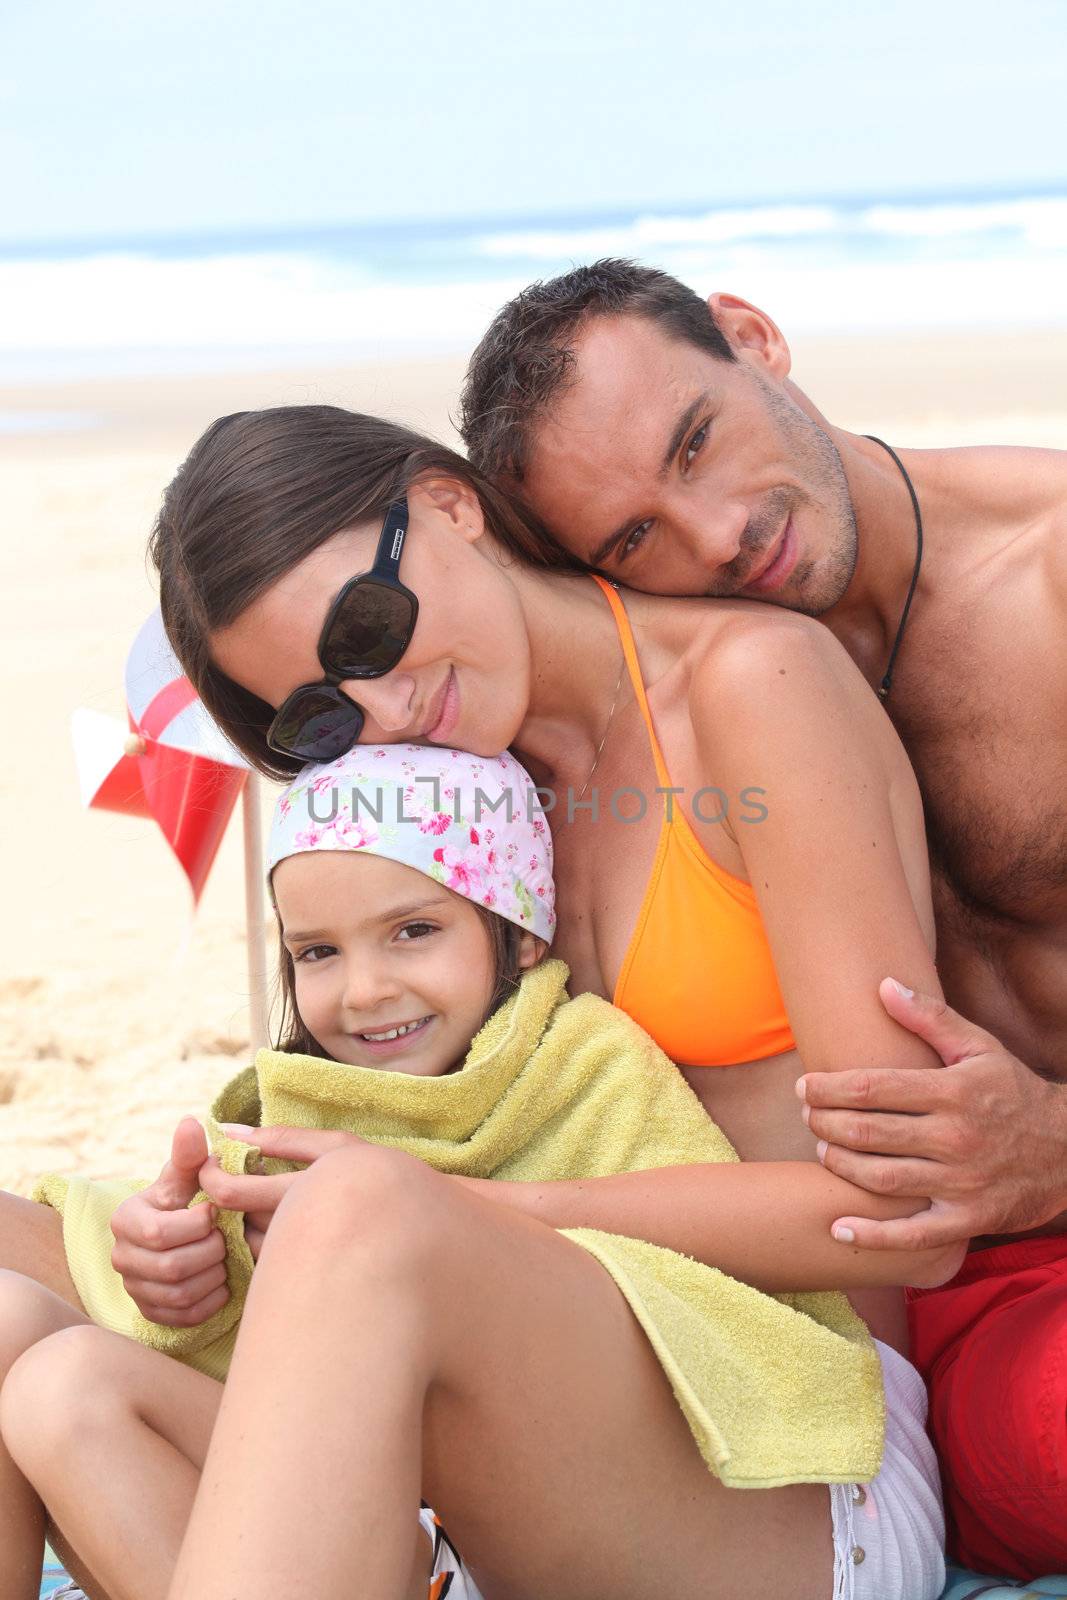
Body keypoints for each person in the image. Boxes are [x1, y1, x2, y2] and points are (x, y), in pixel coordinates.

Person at [77, 397, 970, 1597]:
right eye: (322, 711)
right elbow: (417, 1118)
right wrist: (193, 1242)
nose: (384, 710)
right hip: (531, 1420)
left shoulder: (747, 688)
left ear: (447, 505)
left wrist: (481, 1212)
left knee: (365, 1214)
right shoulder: (433, 789)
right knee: (41, 1353)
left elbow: (909, 1218)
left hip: (796, 1446)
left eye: (368, 626)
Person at [0, 746, 949, 1600]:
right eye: (318, 953)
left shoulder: (579, 1070)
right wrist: (182, 1278)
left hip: (763, 1512)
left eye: (413, 930)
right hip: (446, 1541)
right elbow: (290, 1381)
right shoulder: (304, 1101)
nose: (365, 989)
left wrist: (436, 1209)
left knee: (359, 1201)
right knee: (56, 1379)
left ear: (519, 933)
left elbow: (707, 1317)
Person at [457, 258, 1067, 1575]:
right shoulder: (671, 713)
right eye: (632, 540)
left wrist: (1053, 1143)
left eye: (695, 441)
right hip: (969, 1311)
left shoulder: (1046, 577)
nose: (713, 534)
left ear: (752, 338)